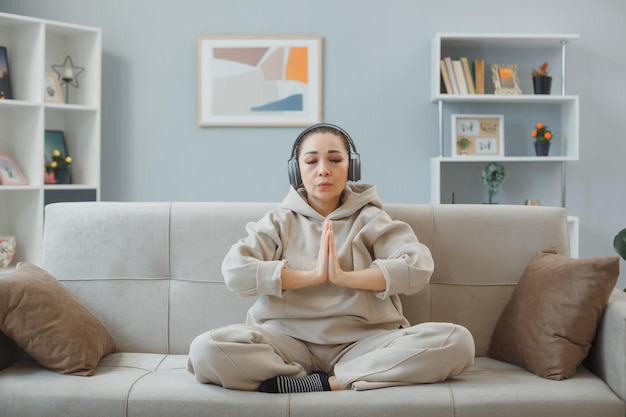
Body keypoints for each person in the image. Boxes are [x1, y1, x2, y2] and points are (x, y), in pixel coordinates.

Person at [187, 123, 475, 392]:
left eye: (335, 160)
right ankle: (332, 377)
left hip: (365, 342)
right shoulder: (277, 222)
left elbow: (418, 266)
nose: (323, 170)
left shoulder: (372, 218)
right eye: (311, 161)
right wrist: (312, 276)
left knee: (457, 342)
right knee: (206, 349)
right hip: (287, 343)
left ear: (352, 166)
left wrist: (345, 277)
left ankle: (327, 383)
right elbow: (235, 272)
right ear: (296, 171)